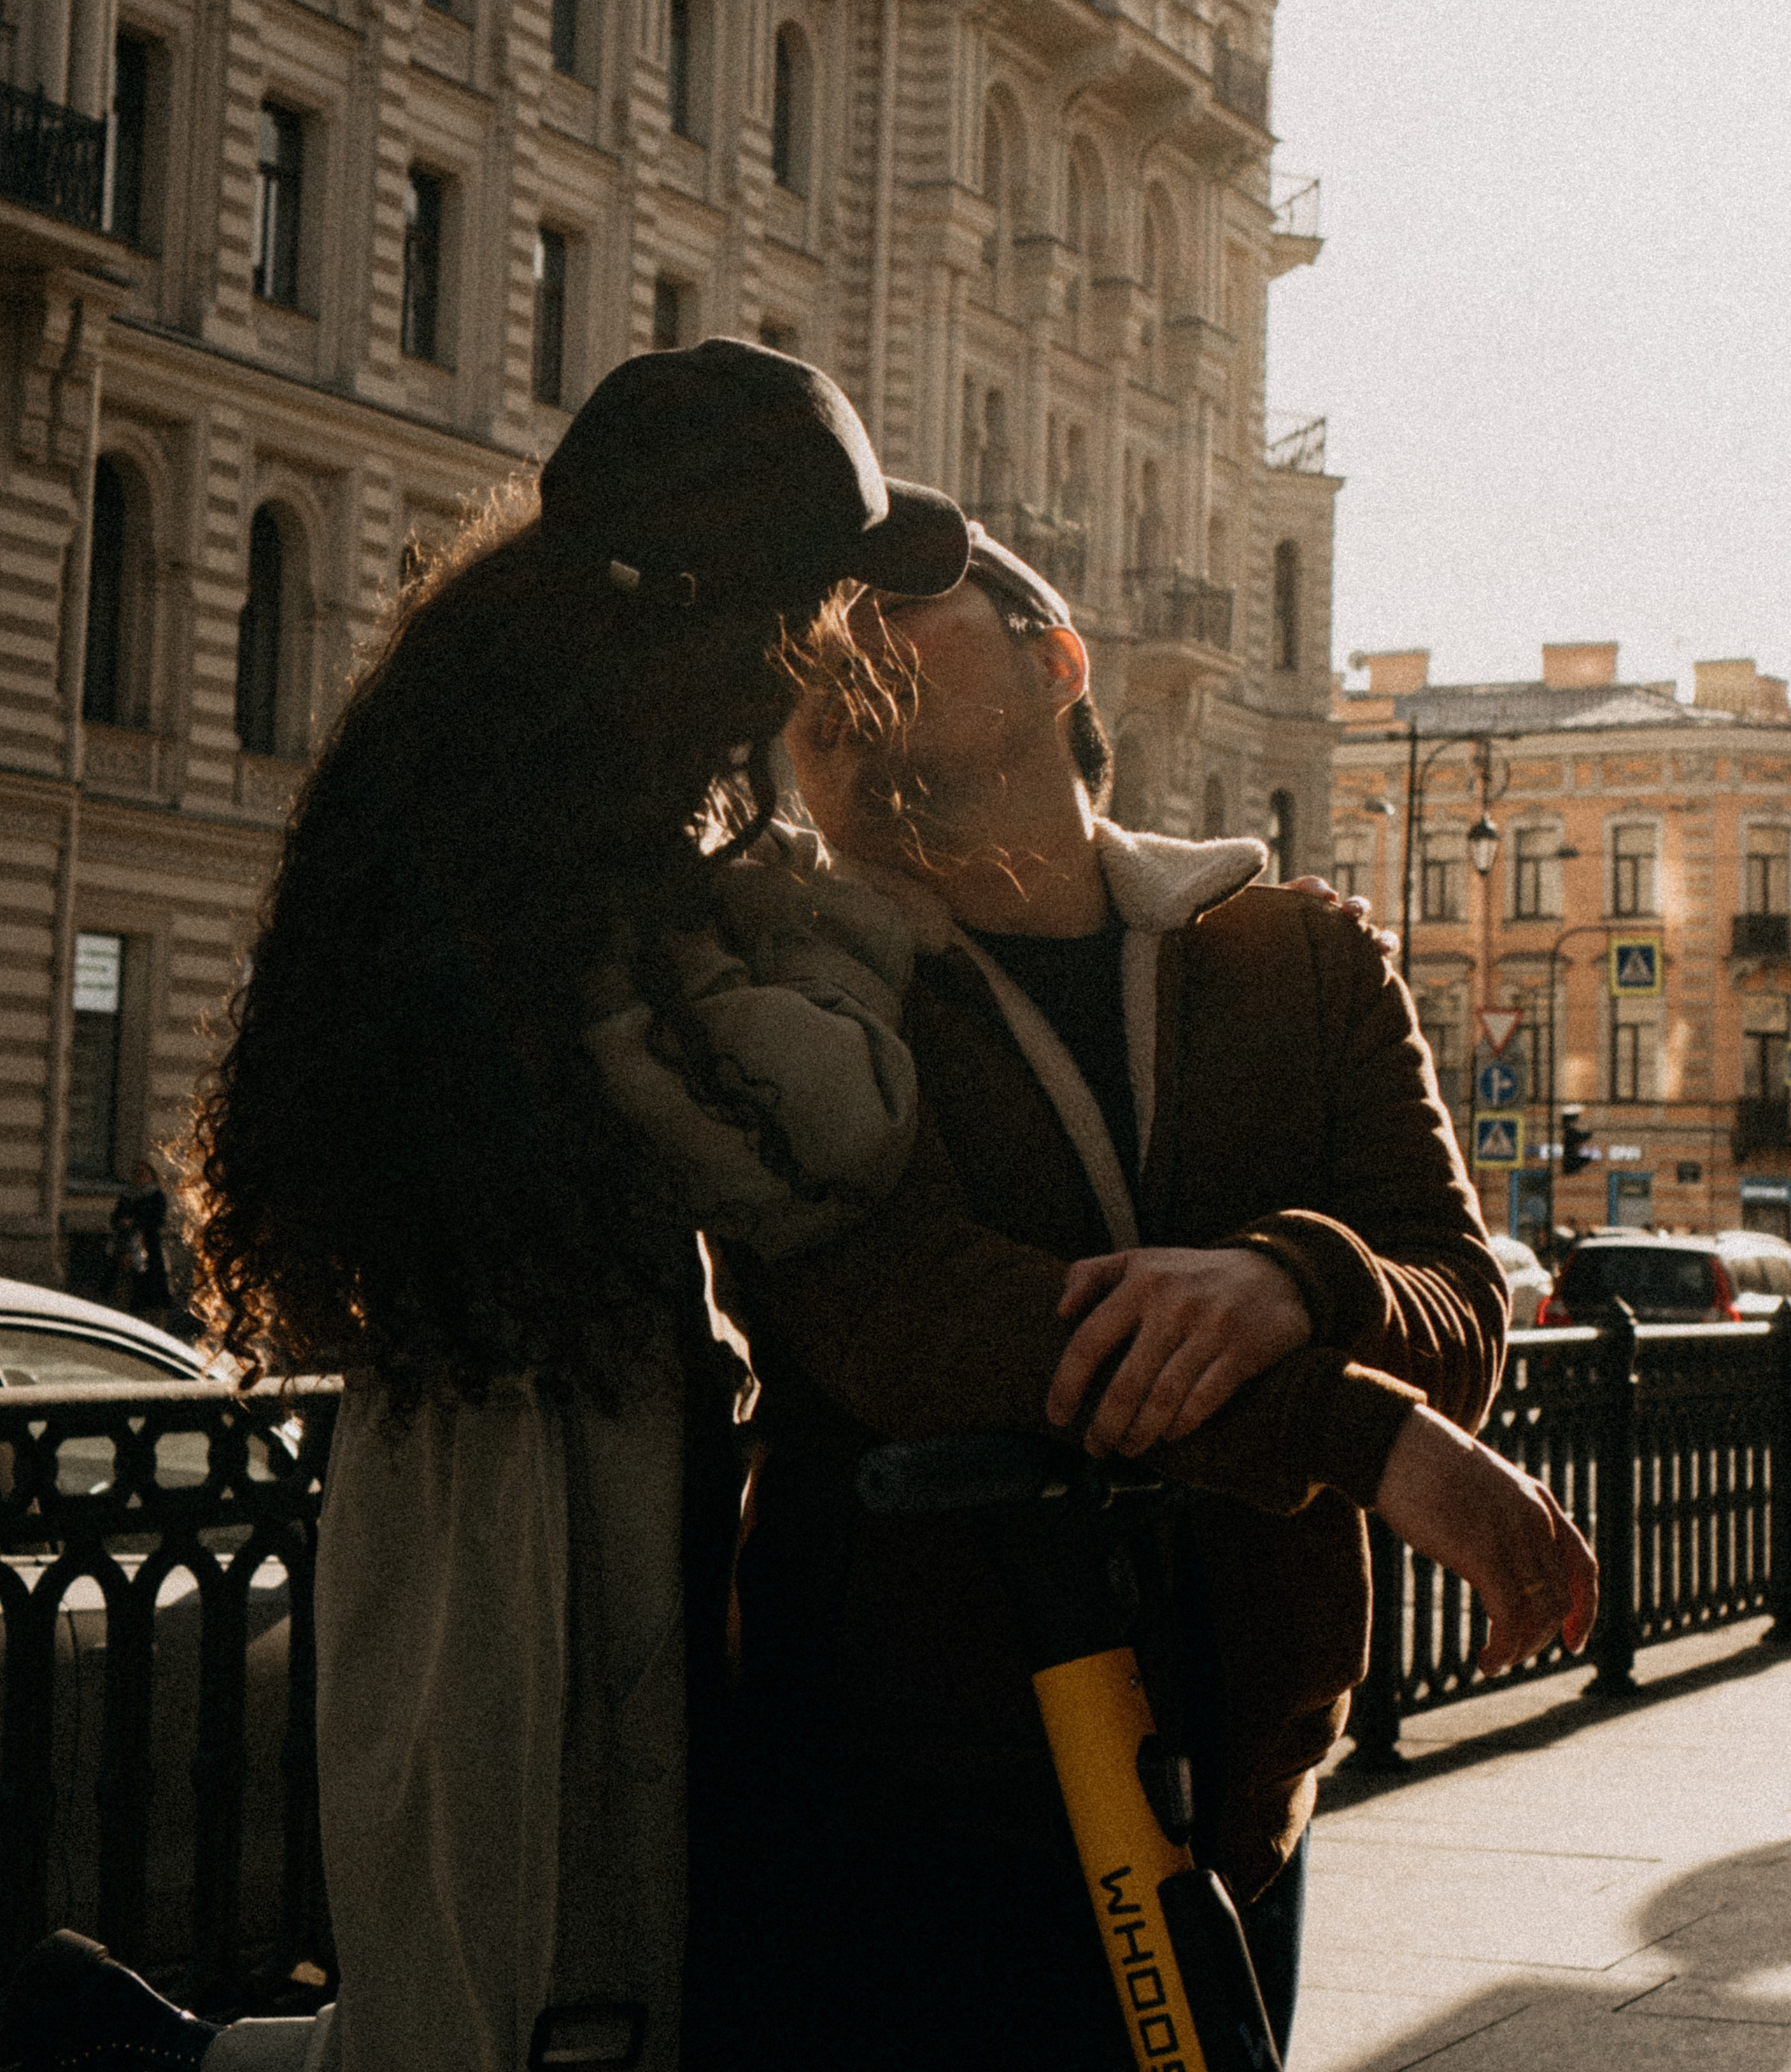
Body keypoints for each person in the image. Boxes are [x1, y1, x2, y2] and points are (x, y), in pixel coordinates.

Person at [0, 341, 970, 2072]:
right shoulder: (588, 908)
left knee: (506, 2002)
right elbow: (831, 1139)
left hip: (498, 1461)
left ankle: (134, 2053)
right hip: (533, 1507)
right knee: (537, 2011)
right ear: (715, 623)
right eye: (822, 603)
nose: (843, 649)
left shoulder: (503, 823)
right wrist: (851, 908)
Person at [689, 526, 1597, 2072]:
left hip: (1243, 1799)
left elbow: (1455, 1295)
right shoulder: (792, 991)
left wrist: (1287, 1275)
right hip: (901, 1812)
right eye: (808, 625)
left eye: (900, 600)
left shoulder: (1300, 957)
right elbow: (911, 1322)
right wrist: (1356, 1432)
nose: (838, 641)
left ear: (1054, 665)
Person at [105, 1161, 174, 1328]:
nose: (139, 1177)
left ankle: (153, 1324)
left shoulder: (157, 1196)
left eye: (143, 1173)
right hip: (125, 1247)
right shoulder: (127, 1195)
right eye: (136, 1173)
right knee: (124, 1286)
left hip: (148, 1248)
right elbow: (115, 1217)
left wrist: (135, 1222)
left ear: (151, 1176)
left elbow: (157, 1220)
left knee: (151, 1289)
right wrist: (121, 1222)